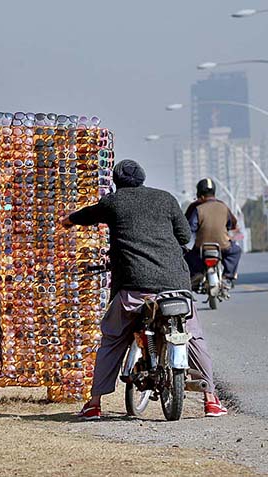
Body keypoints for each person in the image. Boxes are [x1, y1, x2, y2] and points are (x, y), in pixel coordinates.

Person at [60, 159, 228, 420]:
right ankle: (211, 400)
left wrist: (69, 220)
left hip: (134, 288)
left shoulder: (114, 202)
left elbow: (88, 215)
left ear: (117, 182)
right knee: (194, 336)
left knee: (113, 338)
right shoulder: (166, 199)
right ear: (142, 178)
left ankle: (94, 403)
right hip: (176, 287)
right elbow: (184, 237)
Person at [184, 178, 242, 289]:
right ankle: (228, 277)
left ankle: (196, 276)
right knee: (236, 251)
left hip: (201, 248)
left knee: (187, 257)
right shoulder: (223, 206)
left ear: (200, 195)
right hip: (223, 246)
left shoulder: (196, 208)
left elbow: (189, 228)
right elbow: (232, 224)